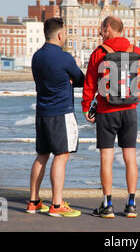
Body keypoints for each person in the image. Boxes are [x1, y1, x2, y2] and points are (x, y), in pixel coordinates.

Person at [82, 16, 140, 218]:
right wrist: (137, 84)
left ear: (108, 28)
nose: (99, 31)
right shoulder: (134, 50)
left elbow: (89, 84)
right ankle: (131, 203)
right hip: (130, 109)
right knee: (130, 157)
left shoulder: (99, 53)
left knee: (106, 158)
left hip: (106, 111)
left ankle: (107, 205)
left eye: (101, 27)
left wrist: (86, 108)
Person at [27, 17, 85, 217]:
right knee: (61, 156)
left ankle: (33, 201)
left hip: (42, 112)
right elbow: (81, 80)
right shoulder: (64, 58)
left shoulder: (36, 56)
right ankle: (57, 204)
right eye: (66, 33)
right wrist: (70, 77)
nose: (66, 37)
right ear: (60, 35)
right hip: (61, 113)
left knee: (42, 155)